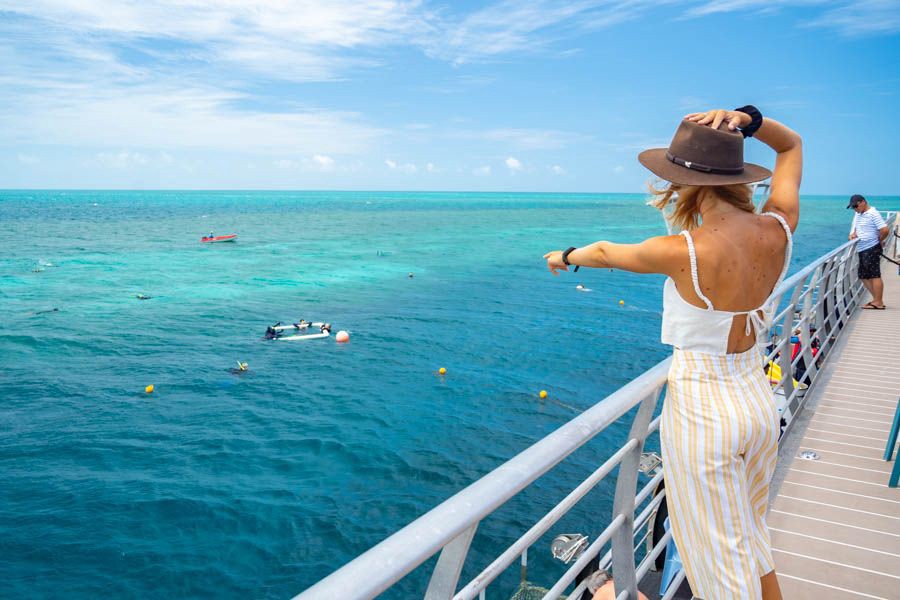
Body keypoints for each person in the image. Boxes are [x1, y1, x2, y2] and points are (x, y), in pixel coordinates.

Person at [545, 105, 801, 600]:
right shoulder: (780, 226)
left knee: (718, 564)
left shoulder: (684, 250)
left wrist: (564, 256)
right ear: (738, 178)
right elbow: (791, 145)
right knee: (750, 538)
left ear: (687, 183)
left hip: (704, 411)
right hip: (758, 399)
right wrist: (748, 119)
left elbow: (602, 252)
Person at [847, 194, 889, 309]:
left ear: (863, 202)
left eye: (856, 206)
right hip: (862, 248)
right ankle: (876, 300)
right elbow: (857, 227)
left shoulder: (873, 213)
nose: (855, 209)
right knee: (863, 275)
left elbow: (885, 230)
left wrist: (879, 240)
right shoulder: (859, 213)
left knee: (874, 274)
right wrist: (853, 233)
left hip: (871, 247)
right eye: (853, 207)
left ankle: (878, 302)